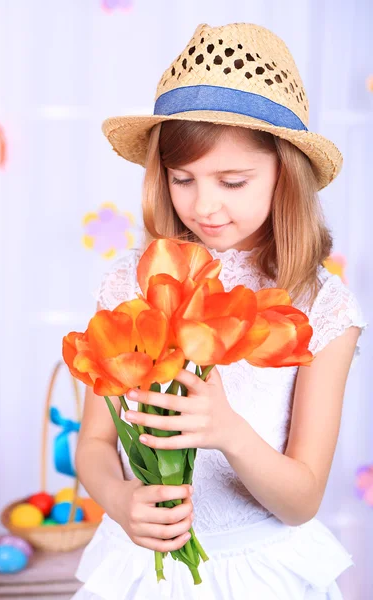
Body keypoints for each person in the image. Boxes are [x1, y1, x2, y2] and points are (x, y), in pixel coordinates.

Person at [72, 22, 368, 599]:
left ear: (286, 173)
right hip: (140, 571)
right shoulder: (136, 279)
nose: (203, 205)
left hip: (260, 576)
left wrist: (228, 430)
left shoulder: (321, 305)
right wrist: (122, 499)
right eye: (182, 178)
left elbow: (301, 500)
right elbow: (93, 445)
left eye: (233, 181)